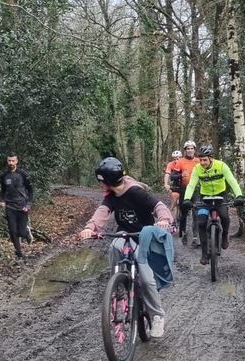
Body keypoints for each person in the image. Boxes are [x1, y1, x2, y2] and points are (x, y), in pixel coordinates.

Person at [80, 157, 172, 338]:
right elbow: (102, 213)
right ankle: (118, 282)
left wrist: (164, 220)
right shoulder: (111, 197)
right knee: (115, 245)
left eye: (100, 181)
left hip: (144, 238)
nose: (100, 185)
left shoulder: (135, 192)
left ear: (106, 181)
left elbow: (158, 206)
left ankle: (157, 317)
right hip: (125, 235)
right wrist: (90, 227)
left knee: (147, 280)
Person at [182, 145, 243, 264]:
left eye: (205, 160)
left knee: (224, 216)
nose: (202, 163)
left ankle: (225, 235)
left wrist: (239, 196)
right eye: (200, 160)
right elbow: (191, 185)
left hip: (220, 195)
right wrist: (187, 199)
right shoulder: (197, 169)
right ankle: (204, 253)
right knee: (201, 222)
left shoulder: (221, 166)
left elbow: (232, 181)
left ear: (211, 158)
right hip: (204, 197)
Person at [0, 153, 34, 261]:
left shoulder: (23, 174)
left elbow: (31, 190)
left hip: (22, 207)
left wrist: (28, 205)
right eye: (9, 161)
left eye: (13, 161)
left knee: (20, 232)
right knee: (13, 232)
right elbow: (2, 191)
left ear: (17, 161)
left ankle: (27, 233)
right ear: (7, 161)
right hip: (10, 208)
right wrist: (2, 200)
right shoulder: (4, 176)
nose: (11, 163)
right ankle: (19, 255)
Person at [176, 140, 201, 244]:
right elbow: (173, 176)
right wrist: (180, 175)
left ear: (194, 150)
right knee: (184, 213)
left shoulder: (199, 161)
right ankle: (184, 232)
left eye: (191, 148)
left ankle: (195, 236)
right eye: (188, 149)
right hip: (184, 190)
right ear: (185, 150)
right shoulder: (180, 161)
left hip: (196, 190)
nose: (190, 150)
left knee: (196, 212)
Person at [164, 151, 184, 215]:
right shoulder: (170, 164)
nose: (176, 160)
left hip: (184, 184)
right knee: (174, 200)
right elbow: (167, 174)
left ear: (181, 157)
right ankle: (173, 218)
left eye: (178, 158)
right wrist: (166, 184)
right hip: (175, 184)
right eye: (174, 159)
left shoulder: (184, 163)